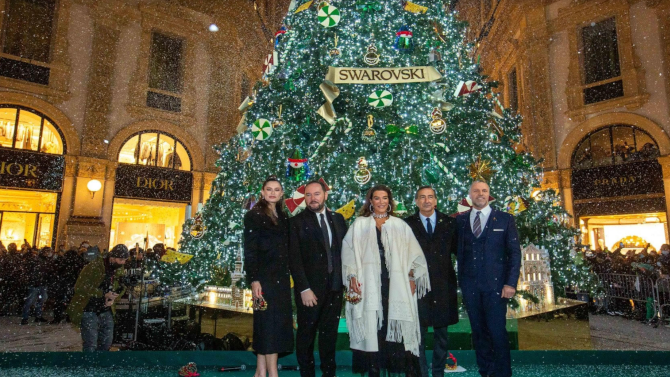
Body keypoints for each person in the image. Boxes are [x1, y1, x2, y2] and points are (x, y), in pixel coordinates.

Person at [342, 185, 429, 377]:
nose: (381, 202)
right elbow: (347, 252)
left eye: (384, 198)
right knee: (373, 327)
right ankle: (374, 368)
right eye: (376, 198)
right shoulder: (360, 224)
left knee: (395, 325)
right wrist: (352, 276)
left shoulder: (400, 225)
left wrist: (412, 276)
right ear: (370, 201)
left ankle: (396, 368)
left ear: (389, 201)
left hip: (396, 284)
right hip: (370, 284)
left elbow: (414, 255)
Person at [456, 180, 521, 377]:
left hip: (496, 287)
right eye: (476, 191)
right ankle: (486, 372)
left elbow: (514, 253)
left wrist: (510, 283)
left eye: (484, 190)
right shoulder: (460, 221)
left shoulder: (504, 219)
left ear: (489, 194)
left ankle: (502, 373)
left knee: (497, 332)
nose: (480, 194)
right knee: (479, 332)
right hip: (470, 287)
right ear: (470, 195)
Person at [289, 179, 348, 377]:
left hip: (334, 289)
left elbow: (344, 253)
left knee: (329, 337)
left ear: (325, 195)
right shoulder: (296, 223)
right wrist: (304, 288)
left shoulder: (338, 219)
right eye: (308, 195)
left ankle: (328, 373)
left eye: (316, 194)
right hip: (309, 292)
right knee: (306, 336)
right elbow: (294, 260)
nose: (312, 199)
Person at [405, 186, 458, 377]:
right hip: (417, 288)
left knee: (441, 336)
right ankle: (421, 373)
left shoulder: (450, 223)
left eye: (430, 197)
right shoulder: (407, 224)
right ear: (416, 201)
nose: (426, 201)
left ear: (436, 200)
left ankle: (438, 373)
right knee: (418, 335)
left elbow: (458, 251)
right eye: (422, 197)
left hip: (443, 286)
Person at [244, 176, 294, 377]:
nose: (273, 193)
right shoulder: (253, 216)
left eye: (277, 189)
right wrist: (254, 279)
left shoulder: (283, 216)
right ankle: (272, 372)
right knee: (266, 323)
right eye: (269, 189)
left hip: (281, 277)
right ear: (262, 192)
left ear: (282, 194)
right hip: (263, 278)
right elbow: (250, 250)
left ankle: (261, 371)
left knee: (276, 323)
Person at [67, 244, 128, 352]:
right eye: (121, 259)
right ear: (112, 258)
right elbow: (80, 287)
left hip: (106, 309)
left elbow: (117, 289)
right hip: (88, 308)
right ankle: (90, 366)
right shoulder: (94, 266)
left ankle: (100, 365)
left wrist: (114, 297)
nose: (123, 263)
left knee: (106, 342)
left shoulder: (118, 269)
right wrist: (103, 294)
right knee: (91, 343)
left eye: (124, 260)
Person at [21, 247, 54, 325]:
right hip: (35, 283)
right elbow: (31, 271)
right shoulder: (36, 260)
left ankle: (38, 316)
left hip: (42, 283)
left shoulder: (46, 261)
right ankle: (25, 317)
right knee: (30, 301)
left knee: (41, 299)